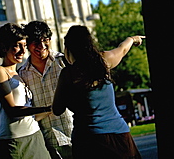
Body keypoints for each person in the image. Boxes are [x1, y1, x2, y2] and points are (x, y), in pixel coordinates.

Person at [52, 25, 144, 159]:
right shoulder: (104, 60)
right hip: (119, 136)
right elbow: (122, 49)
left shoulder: (69, 74)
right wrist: (132, 39)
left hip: (88, 140)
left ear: (68, 49)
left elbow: (57, 109)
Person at [0, 23, 51, 159]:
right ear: (4, 47)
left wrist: (52, 109)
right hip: (13, 144)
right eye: (17, 45)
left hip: (35, 137)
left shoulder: (20, 75)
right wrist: (47, 108)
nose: (23, 51)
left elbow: (31, 116)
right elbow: (12, 111)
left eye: (24, 45)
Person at [19, 21, 73, 159]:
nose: (42, 46)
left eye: (45, 40)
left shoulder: (63, 62)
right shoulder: (22, 74)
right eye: (36, 42)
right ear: (28, 44)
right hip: (45, 144)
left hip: (73, 135)